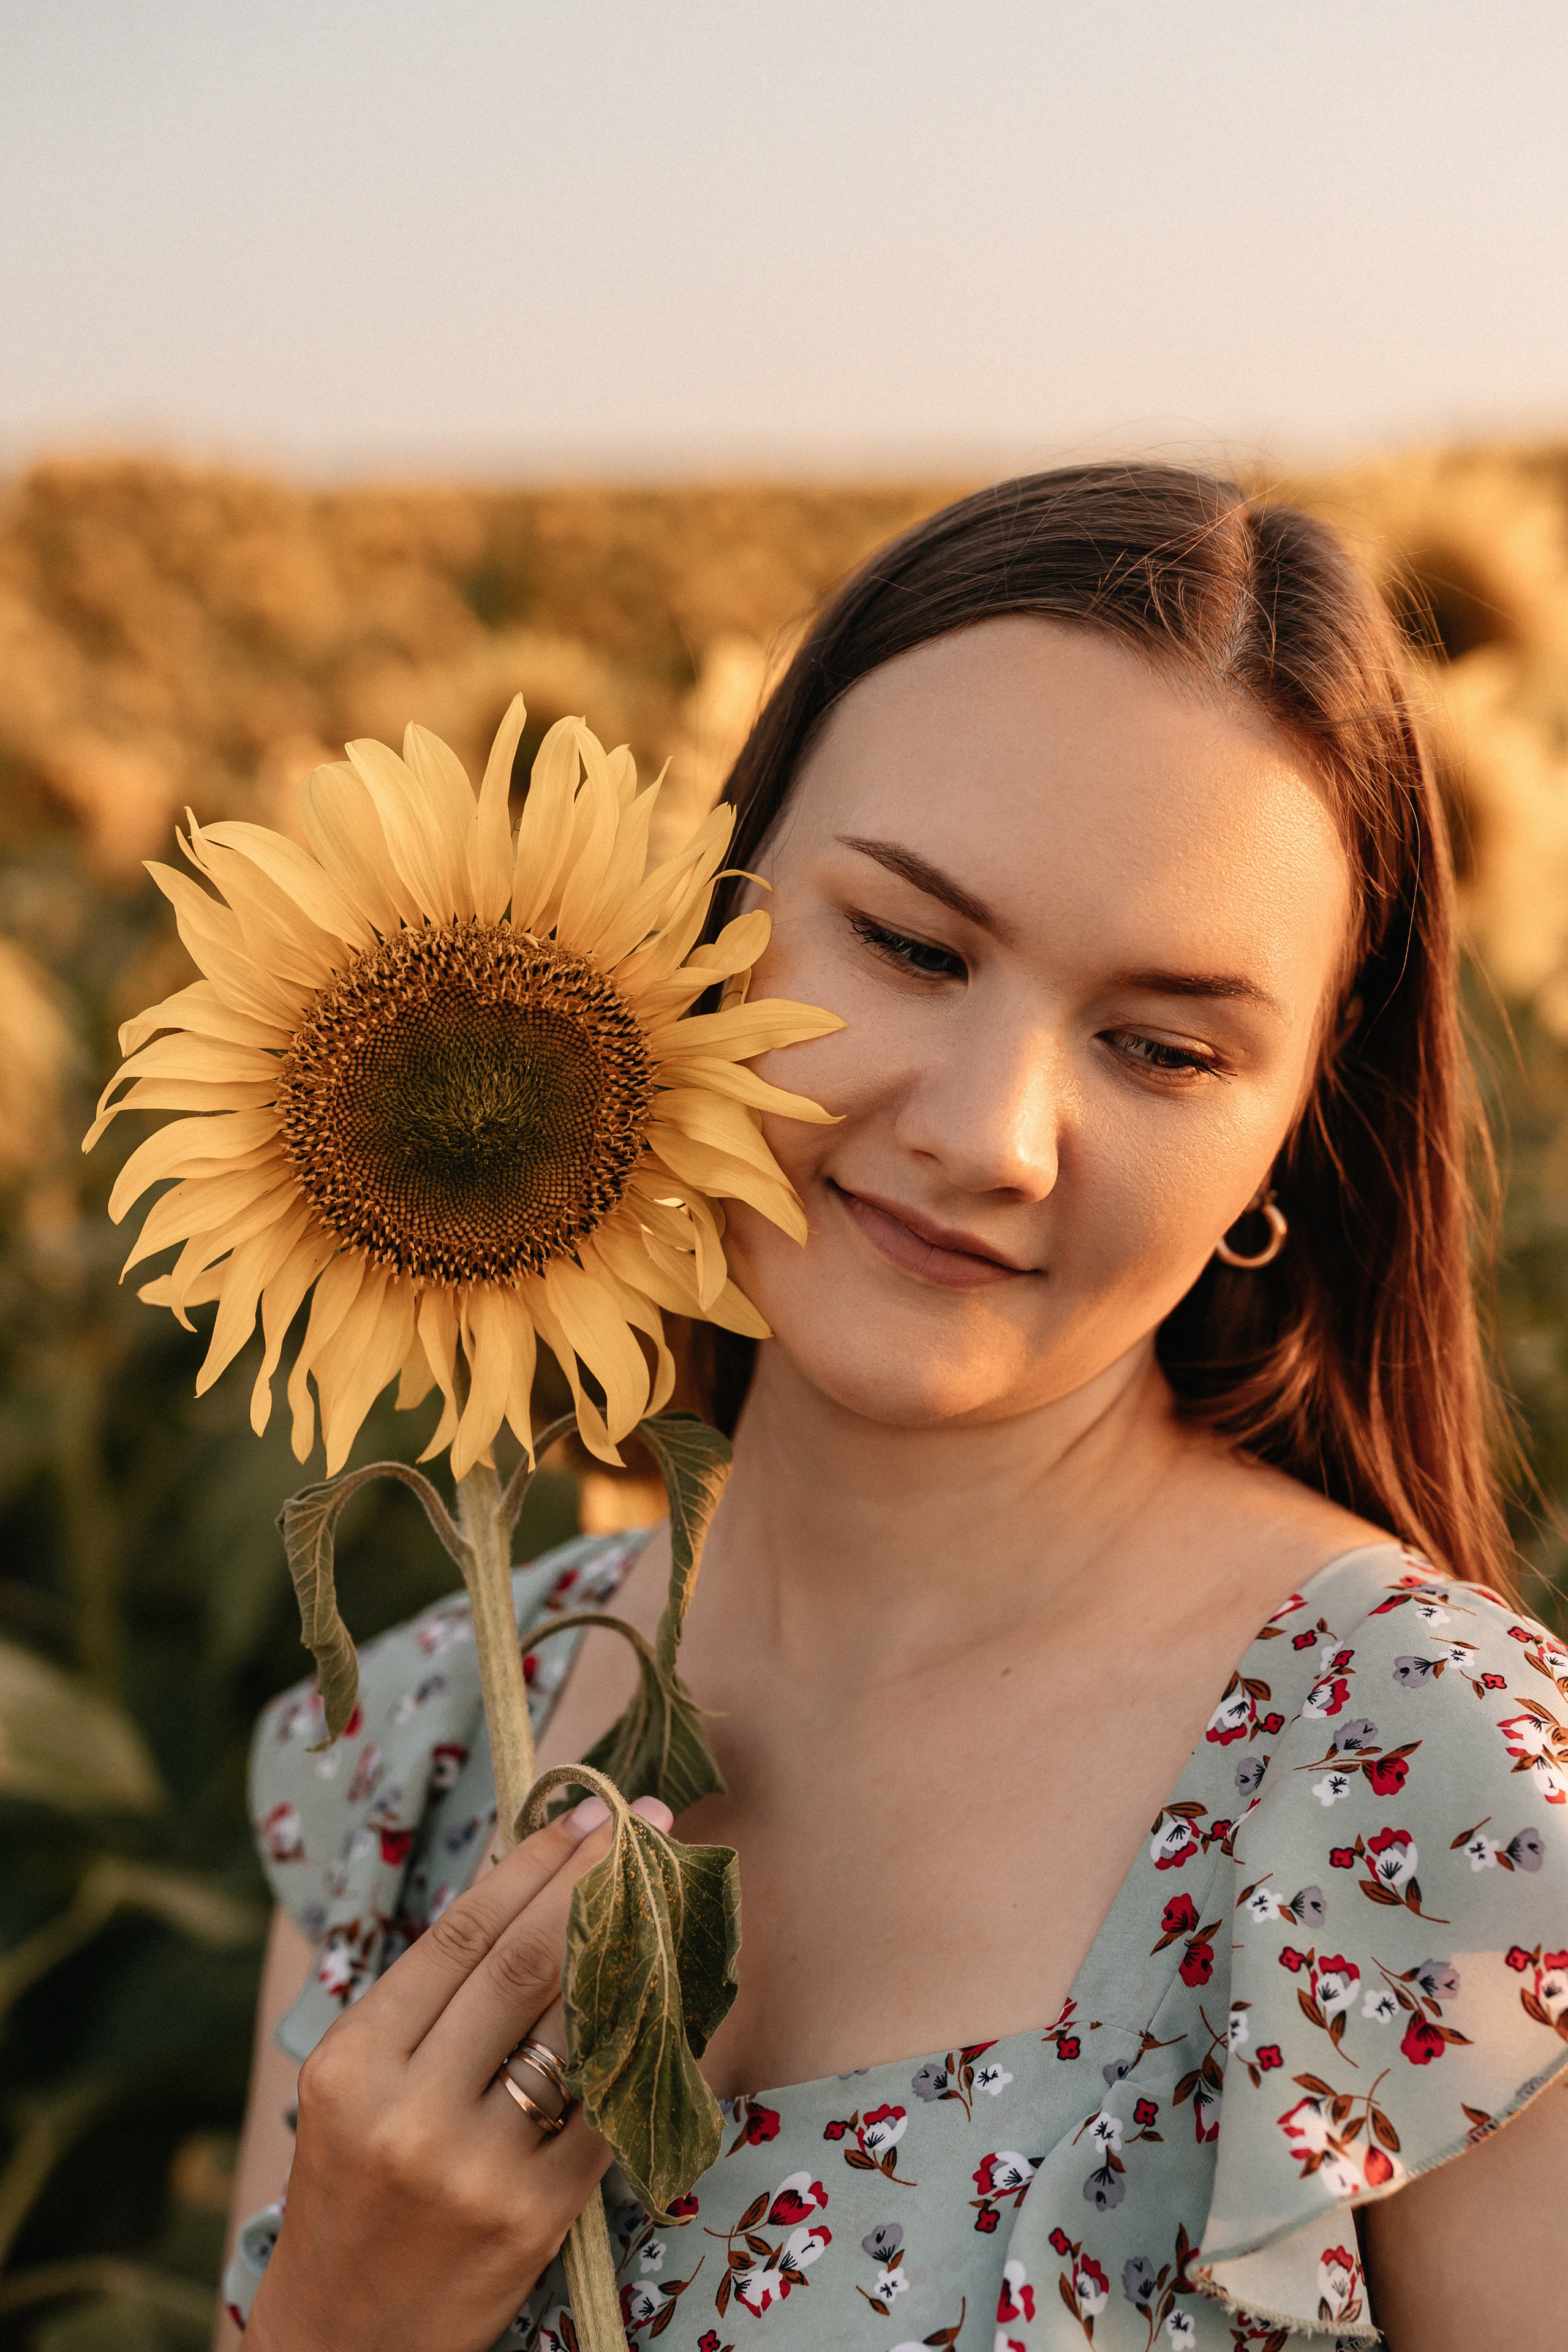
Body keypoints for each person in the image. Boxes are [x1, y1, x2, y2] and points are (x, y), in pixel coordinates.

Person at [217, 467, 1568, 2352]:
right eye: (914, 950)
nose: (985, 1133)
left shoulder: (1426, 1794)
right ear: (710, 918)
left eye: (1164, 1048)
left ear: (1290, 1134)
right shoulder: (426, 1747)